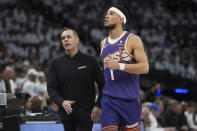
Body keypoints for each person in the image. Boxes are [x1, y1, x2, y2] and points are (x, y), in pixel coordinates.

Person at [100, 5, 149, 130]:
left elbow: (145, 68)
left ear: (121, 19)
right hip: (109, 99)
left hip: (129, 99)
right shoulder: (103, 43)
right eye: (106, 14)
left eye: (111, 14)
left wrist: (119, 66)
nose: (106, 16)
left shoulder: (132, 39)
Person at [47, 27, 105, 131]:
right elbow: (51, 88)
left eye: (69, 37)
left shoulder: (90, 60)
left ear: (77, 40)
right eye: (63, 38)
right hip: (66, 114)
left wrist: (98, 105)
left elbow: (103, 85)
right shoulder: (55, 63)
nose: (65, 39)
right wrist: (62, 101)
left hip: (87, 113)